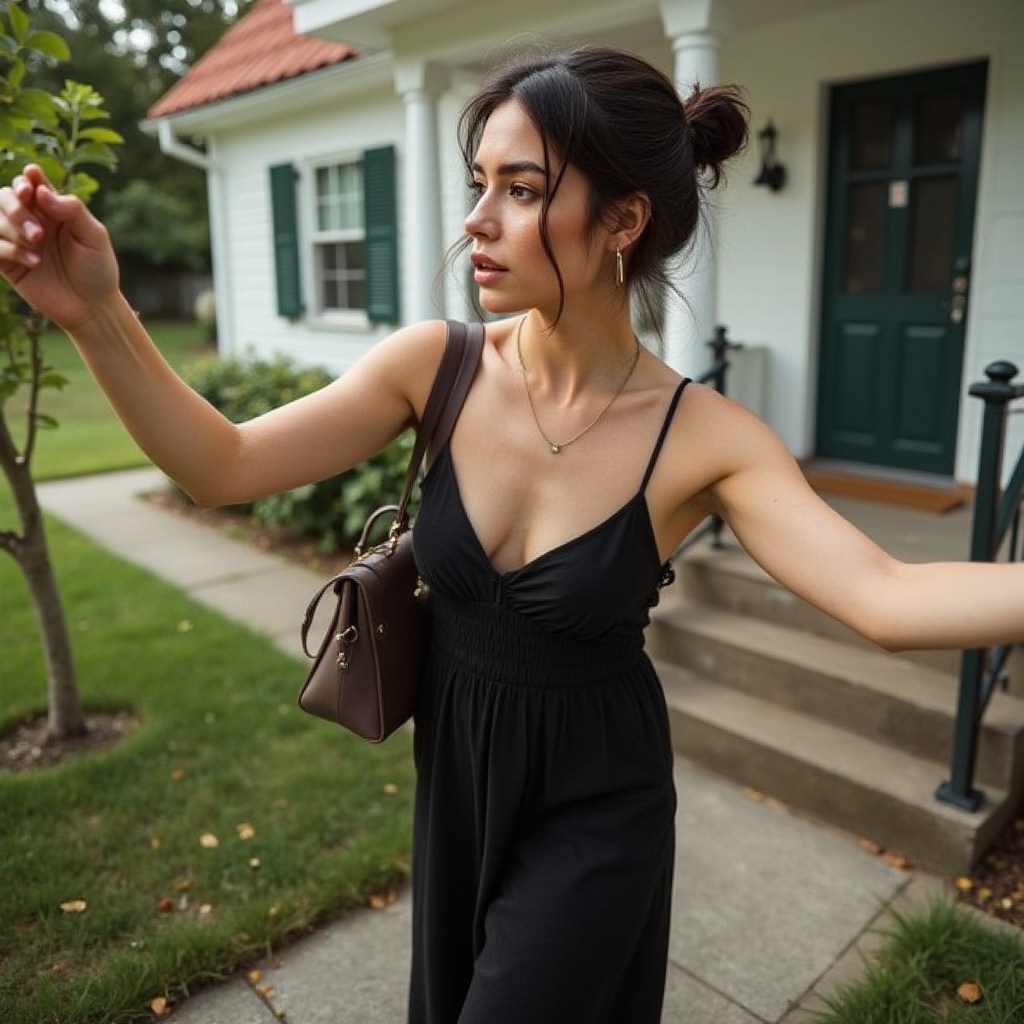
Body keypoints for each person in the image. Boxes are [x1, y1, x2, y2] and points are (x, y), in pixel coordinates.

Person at [0, 43, 1021, 1024]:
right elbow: (220, 465)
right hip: (457, 782)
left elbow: (886, 599)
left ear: (622, 218)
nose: (477, 222)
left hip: (599, 801)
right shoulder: (434, 366)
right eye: (478, 181)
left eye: (522, 190)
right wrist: (97, 312)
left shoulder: (705, 437)